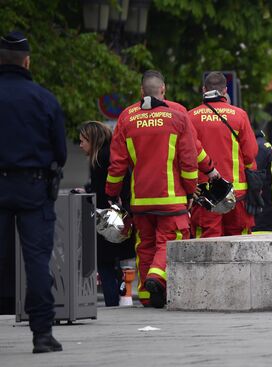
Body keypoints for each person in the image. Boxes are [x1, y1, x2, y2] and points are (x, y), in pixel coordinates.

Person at [106, 73, 198, 309]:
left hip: (140, 200)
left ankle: (147, 297)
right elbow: (188, 161)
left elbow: (117, 164)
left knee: (145, 245)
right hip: (171, 199)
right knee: (168, 242)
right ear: (163, 89)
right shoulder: (178, 116)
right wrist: (190, 192)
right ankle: (156, 279)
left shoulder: (126, 118)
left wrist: (111, 192)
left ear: (141, 92)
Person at [0, 31, 66, 353]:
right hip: (33, 187)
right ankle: (42, 335)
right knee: (37, 262)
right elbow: (60, 151)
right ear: (27, 61)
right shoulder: (43, 98)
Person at [188, 72, 259, 238]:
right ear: (225, 91)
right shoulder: (239, 115)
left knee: (207, 245)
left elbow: (186, 156)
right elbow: (251, 154)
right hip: (236, 194)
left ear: (204, 89)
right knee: (238, 245)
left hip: (205, 194)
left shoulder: (190, 117)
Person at [77, 121, 135, 307]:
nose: (80, 146)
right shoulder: (111, 154)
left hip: (108, 218)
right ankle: (120, 299)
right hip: (121, 213)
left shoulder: (100, 159)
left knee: (104, 262)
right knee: (116, 262)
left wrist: (88, 194)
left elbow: (102, 191)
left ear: (92, 140)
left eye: (83, 141)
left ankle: (112, 303)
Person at [252, 130, 272, 233]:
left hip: (263, 219)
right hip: (268, 216)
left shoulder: (259, 148)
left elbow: (255, 180)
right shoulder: (262, 146)